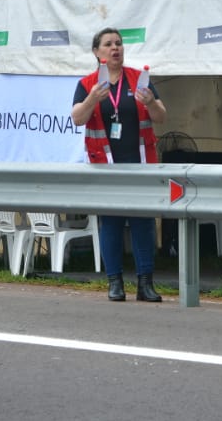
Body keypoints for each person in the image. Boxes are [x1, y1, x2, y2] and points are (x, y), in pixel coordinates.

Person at [71, 28, 168, 302]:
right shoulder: (88, 83)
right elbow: (77, 118)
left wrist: (150, 103)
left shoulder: (139, 79)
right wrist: (92, 99)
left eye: (119, 44)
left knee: (143, 223)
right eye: (109, 44)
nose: (116, 48)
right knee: (110, 222)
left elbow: (161, 116)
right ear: (96, 52)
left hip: (139, 163)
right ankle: (114, 282)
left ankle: (145, 284)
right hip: (105, 165)